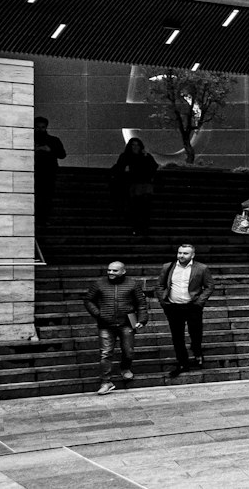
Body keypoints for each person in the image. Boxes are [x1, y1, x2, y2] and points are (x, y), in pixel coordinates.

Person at [84, 259, 148, 394]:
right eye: (109, 270)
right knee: (106, 353)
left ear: (123, 271)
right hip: (105, 324)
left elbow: (141, 303)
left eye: (114, 270)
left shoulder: (132, 284)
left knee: (128, 350)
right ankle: (106, 381)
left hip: (127, 323)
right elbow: (89, 300)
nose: (111, 273)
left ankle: (125, 368)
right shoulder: (99, 283)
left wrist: (142, 320)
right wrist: (98, 313)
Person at [156, 242, 214, 377]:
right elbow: (160, 285)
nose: (181, 256)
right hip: (173, 306)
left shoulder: (201, 268)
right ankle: (183, 362)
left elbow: (209, 286)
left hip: (192, 306)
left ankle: (197, 351)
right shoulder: (168, 267)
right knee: (177, 336)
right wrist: (164, 302)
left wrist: (199, 302)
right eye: (180, 253)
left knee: (196, 333)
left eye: (185, 253)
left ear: (192, 255)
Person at [110, 137, 159, 238]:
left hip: (144, 185)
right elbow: (119, 168)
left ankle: (142, 227)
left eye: (137, 145)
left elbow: (153, 167)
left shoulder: (145, 156)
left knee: (144, 206)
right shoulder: (125, 156)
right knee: (136, 207)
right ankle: (137, 227)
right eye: (133, 145)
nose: (135, 147)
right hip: (132, 185)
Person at [33, 116, 66, 229]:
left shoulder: (53, 140)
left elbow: (62, 154)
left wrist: (49, 150)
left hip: (47, 173)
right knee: (41, 197)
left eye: (42, 127)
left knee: (44, 197)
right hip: (40, 172)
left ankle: (42, 219)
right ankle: (41, 219)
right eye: (38, 127)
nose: (40, 129)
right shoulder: (53, 140)